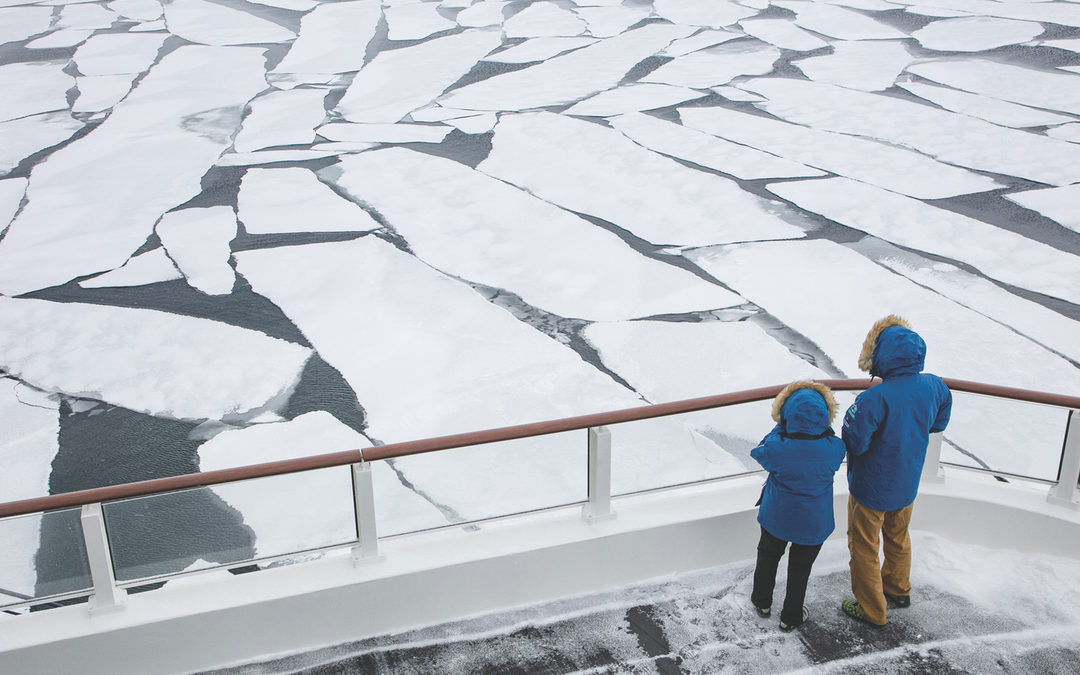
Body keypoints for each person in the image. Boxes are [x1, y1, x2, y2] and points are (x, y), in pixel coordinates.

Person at [841, 315, 952, 627]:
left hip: (871, 488)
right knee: (898, 536)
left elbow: (855, 441)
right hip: (907, 482)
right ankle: (898, 589)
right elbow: (939, 422)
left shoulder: (874, 398)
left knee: (864, 546)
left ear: (881, 356)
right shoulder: (934, 385)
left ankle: (871, 609)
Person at [750, 380, 846, 631]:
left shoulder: (777, 448)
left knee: (768, 556)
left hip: (777, 517)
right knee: (800, 568)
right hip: (813, 522)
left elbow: (758, 451)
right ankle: (790, 616)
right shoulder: (834, 448)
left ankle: (762, 602)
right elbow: (830, 444)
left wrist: (780, 428)